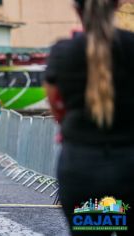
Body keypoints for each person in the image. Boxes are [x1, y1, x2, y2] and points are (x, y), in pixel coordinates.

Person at [44, 0, 134, 235]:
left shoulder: (63, 52)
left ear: (77, 10)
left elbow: (56, 107)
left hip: (83, 168)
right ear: (116, 7)